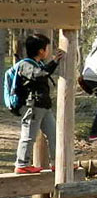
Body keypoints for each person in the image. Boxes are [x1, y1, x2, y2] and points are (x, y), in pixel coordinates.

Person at [13, 34, 63, 174]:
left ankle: (57, 163)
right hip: (33, 106)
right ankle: (21, 164)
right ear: (41, 51)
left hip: (43, 107)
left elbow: (43, 72)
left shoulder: (38, 64)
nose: (48, 51)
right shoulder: (26, 64)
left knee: (54, 134)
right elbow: (39, 74)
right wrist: (54, 62)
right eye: (47, 48)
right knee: (29, 135)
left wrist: (54, 62)